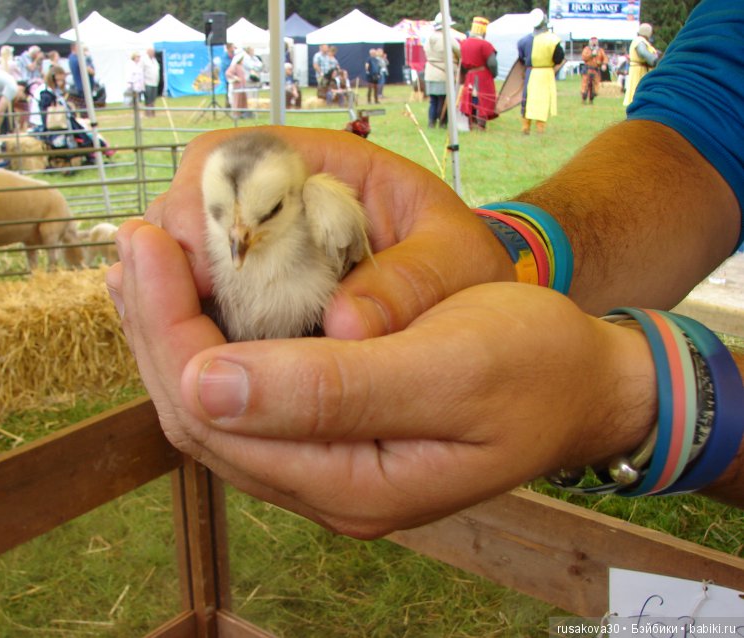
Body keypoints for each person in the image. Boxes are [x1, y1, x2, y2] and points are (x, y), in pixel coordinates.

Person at [105, 0, 744, 538]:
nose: (238, 239)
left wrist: (629, 398)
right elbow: (703, 128)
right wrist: (501, 254)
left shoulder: (316, 213)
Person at [517, 11, 564, 134]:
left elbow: (521, 58)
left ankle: (525, 127)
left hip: (530, 72)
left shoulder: (523, 41)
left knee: (527, 100)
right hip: (545, 74)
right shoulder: (552, 40)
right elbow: (559, 58)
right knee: (542, 102)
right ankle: (540, 128)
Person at [458, 16, 498, 131]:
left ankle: (471, 123)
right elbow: (492, 63)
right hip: (483, 76)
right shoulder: (485, 45)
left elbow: (463, 63)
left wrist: (463, 75)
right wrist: (494, 74)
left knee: (471, 99)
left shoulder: (464, 43)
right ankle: (480, 124)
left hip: (469, 75)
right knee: (483, 100)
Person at [423, 12, 460, 128]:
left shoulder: (428, 39)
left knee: (433, 100)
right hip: (444, 73)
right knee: (443, 100)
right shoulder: (448, 39)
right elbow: (459, 52)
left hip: (430, 73)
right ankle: (443, 123)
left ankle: (431, 122)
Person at [623, 23, 659, 107]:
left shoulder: (641, 41)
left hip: (642, 69)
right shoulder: (639, 41)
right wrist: (654, 60)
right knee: (638, 89)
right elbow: (643, 52)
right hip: (639, 71)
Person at [581, 37, 608, 104]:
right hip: (587, 69)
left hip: (596, 70)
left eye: (595, 41)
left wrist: (604, 64)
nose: (594, 42)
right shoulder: (586, 49)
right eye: (592, 41)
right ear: (590, 42)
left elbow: (605, 58)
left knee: (595, 86)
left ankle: (591, 99)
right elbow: (584, 57)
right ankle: (584, 99)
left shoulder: (600, 50)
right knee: (585, 85)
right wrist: (591, 55)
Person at [68, 42, 95, 109]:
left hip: (81, 86)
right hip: (83, 86)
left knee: (85, 106)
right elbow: (91, 71)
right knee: (86, 107)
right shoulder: (77, 59)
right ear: (75, 48)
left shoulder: (72, 58)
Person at [225, 52, 248, 118]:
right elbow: (228, 73)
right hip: (237, 87)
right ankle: (236, 114)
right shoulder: (234, 66)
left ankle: (243, 113)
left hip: (242, 86)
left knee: (243, 100)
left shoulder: (241, 66)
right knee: (237, 100)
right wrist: (235, 78)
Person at [142, 48, 160, 117]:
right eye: (151, 52)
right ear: (148, 53)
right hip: (147, 82)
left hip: (155, 82)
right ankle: (147, 112)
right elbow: (141, 71)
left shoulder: (155, 60)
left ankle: (153, 112)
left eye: (153, 52)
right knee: (148, 98)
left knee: (153, 98)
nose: (153, 53)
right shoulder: (144, 60)